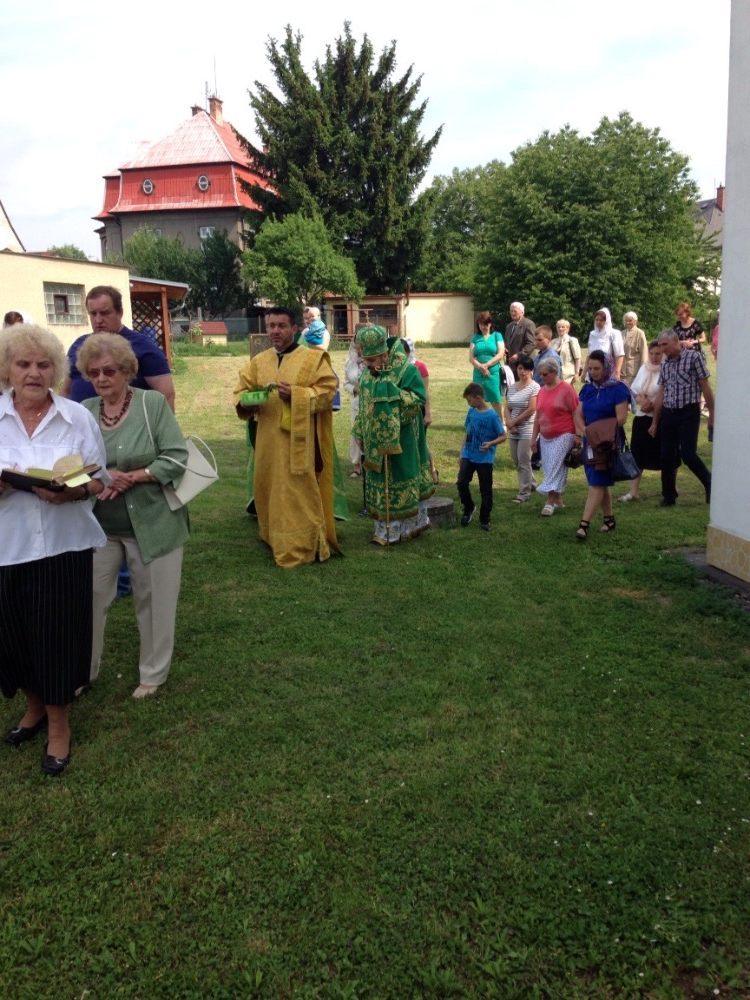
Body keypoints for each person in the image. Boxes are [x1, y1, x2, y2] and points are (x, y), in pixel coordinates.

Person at [0, 324, 106, 776]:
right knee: (13, 639)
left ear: (56, 370)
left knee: (57, 639)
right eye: (23, 364)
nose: (33, 373)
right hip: (7, 548)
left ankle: (59, 726)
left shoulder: (76, 417)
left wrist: (75, 491)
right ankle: (34, 707)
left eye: (44, 365)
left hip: (63, 547)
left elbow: (99, 479)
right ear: (7, 369)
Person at [78, 334, 189, 698]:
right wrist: (102, 476)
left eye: (109, 371)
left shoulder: (151, 403)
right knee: (88, 598)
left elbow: (176, 456)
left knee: (153, 601)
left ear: (127, 371)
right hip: (100, 527)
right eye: (94, 372)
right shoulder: (85, 411)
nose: (101, 378)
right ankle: (81, 671)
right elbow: (72, 464)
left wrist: (136, 476)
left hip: (154, 524)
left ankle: (153, 674)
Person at [234, 307, 340, 568]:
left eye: (281, 326)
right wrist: (246, 401)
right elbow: (241, 391)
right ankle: (274, 537)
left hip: (299, 443)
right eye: (271, 326)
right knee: (270, 488)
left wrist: (297, 395)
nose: (275, 331)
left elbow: (328, 392)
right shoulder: (259, 361)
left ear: (294, 328)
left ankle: (300, 544)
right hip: (268, 441)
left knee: (297, 491)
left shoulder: (313, 359)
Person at [353, 325, 434, 545]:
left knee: (401, 474)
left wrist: (392, 397)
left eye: (371, 361)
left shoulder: (406, 371)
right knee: (379, 478)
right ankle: (384, 529)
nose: (367, 365)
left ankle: (406, 527)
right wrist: (359, 431)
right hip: (374, 442)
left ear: (384, 354)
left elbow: (418, 398)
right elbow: (364, 405)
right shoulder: (368, 375)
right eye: (365, 360)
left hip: (403, 439)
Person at [63, 286, 175, 409]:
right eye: (93, 314)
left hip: (127, 420)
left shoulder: (144, 347)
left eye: (104, 313)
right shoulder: (79, 346)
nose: (98, 320)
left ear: (120, 312)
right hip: (79, 420)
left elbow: (166, 395)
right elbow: (66, 391)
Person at [650, 329, 714, 506]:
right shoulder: (665, 364)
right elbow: (661, 392)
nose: (662, 349)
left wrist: (712, 414)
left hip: (688, 412)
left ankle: (709, 482)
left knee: (688, 454)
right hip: (669, 413)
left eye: (665, 345)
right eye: (660, 345)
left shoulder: (693, 357)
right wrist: (655, 421)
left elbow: (705, 386)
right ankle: (669, 496)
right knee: (666, 455)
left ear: (676, 341)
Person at [575, 350, 631, 539]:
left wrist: (597, 430)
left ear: (606, 367)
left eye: (597, 368)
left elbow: (621, 418)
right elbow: (578, 413)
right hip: (590, 440)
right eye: (590, 368)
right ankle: (609, 519)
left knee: (597, 482)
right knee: (599, 480)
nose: (592, 372)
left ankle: (584, 525)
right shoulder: (587, 389)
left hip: (608, 442)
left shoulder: (618, 389)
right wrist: (584, 430)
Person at [531, 359, 584, 516]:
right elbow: (538, 416)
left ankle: (549, 502)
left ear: (554, 372)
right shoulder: (542, 391)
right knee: (550, 468)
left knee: (554, 467)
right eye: (540, 374)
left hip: (564, 433)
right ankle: (558, 499)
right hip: (545, 436)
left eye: (545, 374)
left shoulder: (566, 389)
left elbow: (576, 412)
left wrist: (578, 435)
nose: (542, 377)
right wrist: (534, 438)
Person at [618, 340, 663, 503]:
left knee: (664, 454)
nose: (654, 357)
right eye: (652, 353)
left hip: (659, 416)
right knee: (638, 454)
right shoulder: (644, 368)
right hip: (642, 416)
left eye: (658, 354)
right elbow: (635, 389)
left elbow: (665, 391)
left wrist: (653, 404)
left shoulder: (666, 369)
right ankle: (633, 491)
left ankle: (670, 487)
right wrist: (641, 400)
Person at [457, 383, 506, 531]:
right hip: (468, 455)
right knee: (461, 483)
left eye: (470, 400)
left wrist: (491, 443)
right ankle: (469, 508)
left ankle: (485, 519)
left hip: (484, 459)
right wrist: (461, 452)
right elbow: (467, 432)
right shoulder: (471, 412)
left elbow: (503, 436)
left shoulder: (492, 416)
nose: (469, 404)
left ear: (478, 398)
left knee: (485, 490)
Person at [504, 355, 539, 503]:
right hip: (513, 430)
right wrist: (509, 423)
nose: (522, 372)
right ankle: (532, 483)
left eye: (526, 369)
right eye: (520, 368)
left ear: (531, 371)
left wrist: (514, 422)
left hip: (528, 429)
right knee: (517, 460)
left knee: (524, 460)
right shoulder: (512, 387)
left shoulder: (535, 387)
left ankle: (524, 493)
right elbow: (507, 407)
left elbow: (532, 409)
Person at [469, 311, 505, 415]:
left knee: (495, 398)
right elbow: (471, 358)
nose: (483, 327)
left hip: (493, 373)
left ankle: (501, 421)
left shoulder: (497, 335)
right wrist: (481, 367)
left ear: (490, 324)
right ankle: (478, 419)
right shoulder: (475, 338)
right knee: (477, 398)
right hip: (478, 373)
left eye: (485, 324)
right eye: (481, 324)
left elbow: (501, 353)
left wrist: (487, 365)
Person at [343, 338, 365, 477]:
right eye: (356, 342)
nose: (358, 346)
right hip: (356, 402)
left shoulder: (374, 359)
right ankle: (357, 465)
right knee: (355, 433)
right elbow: (345, 383)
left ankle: (372, 464)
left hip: (373, 401)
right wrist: (354, 389)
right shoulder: (349, 361)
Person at [588, 308, 625, 380]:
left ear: (606, 321)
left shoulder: (614, 333)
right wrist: (584, 372)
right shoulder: (592, 334)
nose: (598, 322)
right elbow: (589, 355)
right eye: (597, 320)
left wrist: (617, 372)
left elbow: (619, 354)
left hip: (608, 371)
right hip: (593, 370)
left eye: (601, 320)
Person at [504, 301, 536, 376]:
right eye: (511, 311)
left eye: (515, 311)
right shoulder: (509, 326)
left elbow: (531, 343)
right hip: (511, 366)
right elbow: (507, 343)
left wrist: (519, 355)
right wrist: (504, 348)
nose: (512, 313)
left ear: (522, 312)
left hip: (524, 365)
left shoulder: (529, 324)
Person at [621, 311, 648, 387]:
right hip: (622, 370)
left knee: (632, 391)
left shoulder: (640, 333)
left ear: (635, 321)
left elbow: (644, 352)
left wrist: (643, 370)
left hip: (634, 370)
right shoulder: (622, 333)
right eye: (626, 320)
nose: (627, 322)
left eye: (630, 320)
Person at [552, 319, 582, 384]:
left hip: (568, 376)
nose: (560, 329)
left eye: (563, 327)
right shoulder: (553, 342)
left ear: (568, 328)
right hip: (555, 375)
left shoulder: (572, 340)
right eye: (558, 327)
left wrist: (577, 373)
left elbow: (577, 358)